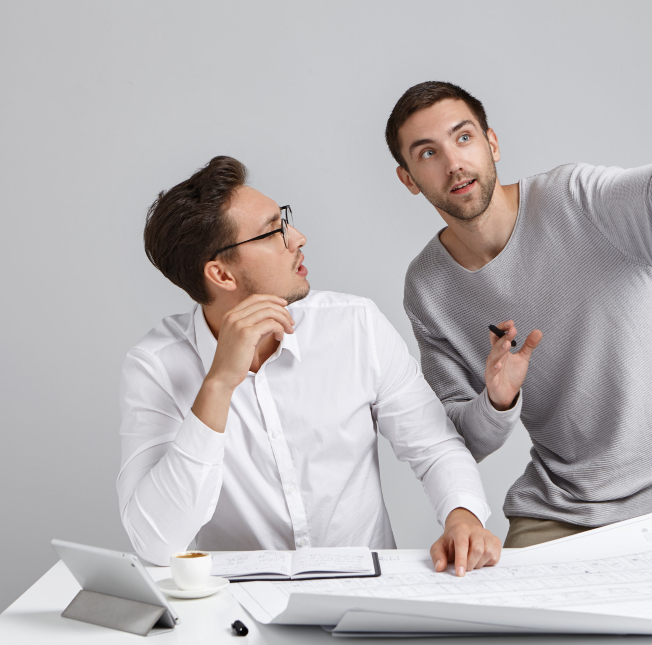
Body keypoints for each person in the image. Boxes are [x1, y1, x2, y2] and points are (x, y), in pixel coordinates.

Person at [388, 28, 652, 548]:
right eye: (428, 153)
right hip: (557, 505)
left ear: (491, 143)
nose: (454, 163)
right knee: (496, 621)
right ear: (408, 178)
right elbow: (457, 439)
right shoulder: (428, 285)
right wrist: (496, 400)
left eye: (464, 138)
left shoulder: (576, 200)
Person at [117, 156, 501, 575]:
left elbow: (435, 447)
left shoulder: (356, 325)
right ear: (221, 275)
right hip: (243, 610)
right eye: (271, 232)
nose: (298, 237)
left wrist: (463, 516)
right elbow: (155, 541)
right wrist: (219, 384)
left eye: (285, 220)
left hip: (367, 594)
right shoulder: (156, 365)